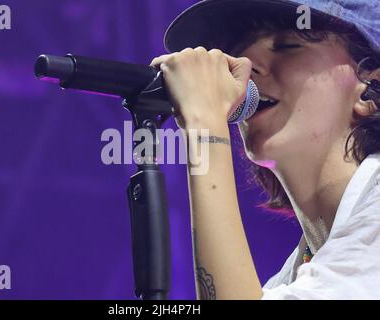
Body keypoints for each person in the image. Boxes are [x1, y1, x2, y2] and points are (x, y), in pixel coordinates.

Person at [151, 0, 380, 299]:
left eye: (288, 46)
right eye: (237, 52)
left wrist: (205, 124)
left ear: (369, 89)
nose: (245, 65)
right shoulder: (299, 272)